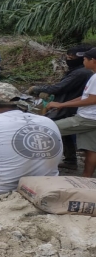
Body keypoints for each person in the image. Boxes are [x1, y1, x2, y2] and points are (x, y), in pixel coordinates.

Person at [26, 45, 93, 169]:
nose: (68, 59)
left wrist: (38, 89)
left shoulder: (81, 72)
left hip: (76, 110)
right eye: (67, 56)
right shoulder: (84, 72)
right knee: (73, 138)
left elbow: (60, 88)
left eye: (71, 57)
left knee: (47, 130)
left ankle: (37, 163)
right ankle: (71, 162)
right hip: (75, 107)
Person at [48, 48, 96, 177]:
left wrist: (62, 104)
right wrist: (62, 105)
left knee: (48, 129)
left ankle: (39, 167)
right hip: (90, 117)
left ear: (93, 61)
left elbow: (92, 100)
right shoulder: (92, 75)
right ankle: (86, 178)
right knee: (91, 150)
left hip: (88, 118)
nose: (83, 61)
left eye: (85, 59)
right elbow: (86, 97)